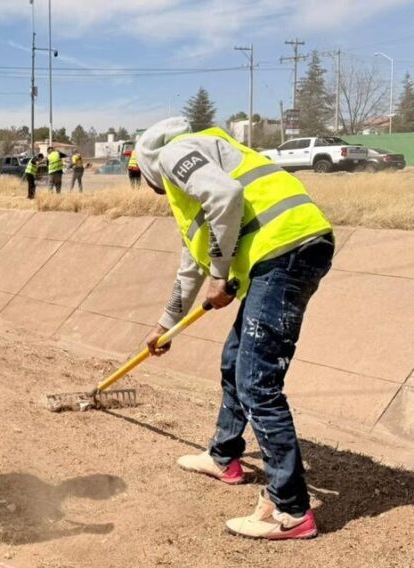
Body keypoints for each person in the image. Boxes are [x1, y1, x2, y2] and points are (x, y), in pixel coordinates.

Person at [136, 117, 334, 541]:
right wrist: (164, 326)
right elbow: (193, 266)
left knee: (257, 383)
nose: (154, 190)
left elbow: (226, 197)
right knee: (235, 361)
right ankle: (224, 456)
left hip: (283, 252)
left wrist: (221, 273)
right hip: (289, 249)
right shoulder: (211, 163)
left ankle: (290, 511)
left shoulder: (175, 154)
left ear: (148, 163)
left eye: (146, 180)